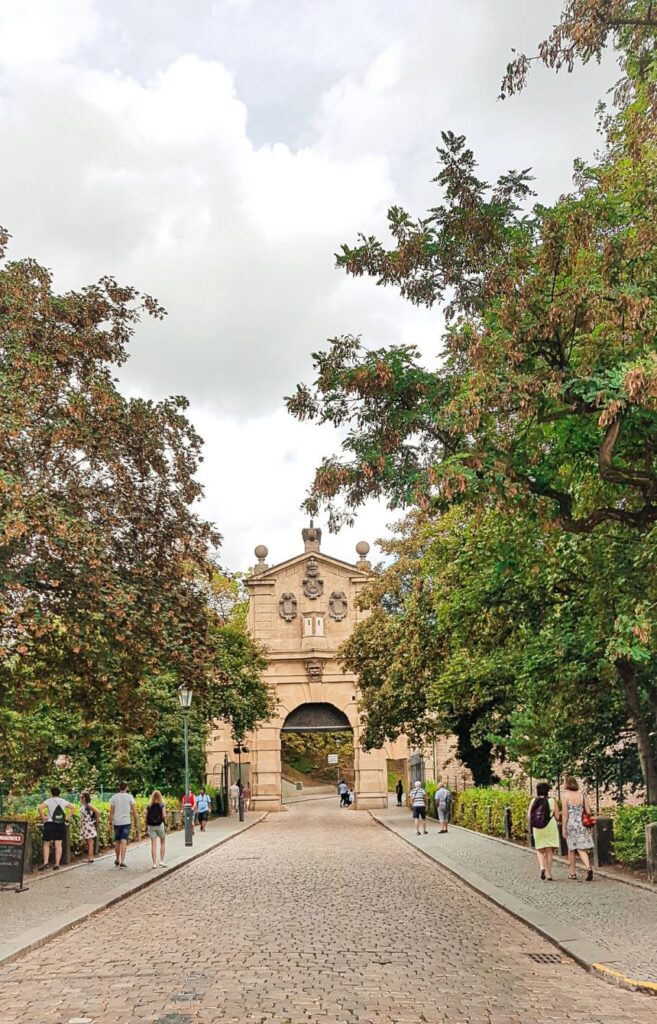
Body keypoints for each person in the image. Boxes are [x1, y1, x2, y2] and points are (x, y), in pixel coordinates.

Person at [562, 775, 594, 881]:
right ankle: (588, 867)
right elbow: (588, 812)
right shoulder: (582, 795)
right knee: (582, 848)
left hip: (571, 824)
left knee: (571, 849)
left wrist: (564, 828)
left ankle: (572, 873)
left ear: (567, 784)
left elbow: (565, 814)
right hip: (581, 824)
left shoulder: (565, 796)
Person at [528, 782, 560, 880]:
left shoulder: (533, 800)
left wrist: (530, 826)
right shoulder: (552, 801)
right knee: (549, 850)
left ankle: (542, 867)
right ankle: (549, 873)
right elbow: (557, 816)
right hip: (550, 827)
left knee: (539, 849)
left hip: (538, 827)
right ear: (548, 790)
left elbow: (529, 816)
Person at [38, 786, 75, 870]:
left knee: (46, 844)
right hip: (60, 823)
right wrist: (67, 817)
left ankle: (45, 863)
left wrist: (43, 816)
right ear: (59, 793)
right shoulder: (63, 801)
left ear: (51, 793)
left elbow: (40, 807)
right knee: (58, 844)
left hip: (49, 823)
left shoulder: (48, 801)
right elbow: (73, 808)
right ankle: (57, 864)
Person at [109, 781, 140, 867]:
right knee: (124, 841)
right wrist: (136, 821)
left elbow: (111, 812)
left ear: (119, 787)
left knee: (117, 841)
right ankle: (122, 861)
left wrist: (110, 823)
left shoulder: (114, 797)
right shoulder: (130, 797)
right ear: (127, 788)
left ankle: (117, 859)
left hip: (117, 822)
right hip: (126, 822)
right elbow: (134, 811)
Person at [146, 790, 167, 868]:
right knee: (163, 842)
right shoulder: (162, 805)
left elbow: (146, 816)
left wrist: (146, 825)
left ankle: (154, 863)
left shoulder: (149, 805)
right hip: (160, 825)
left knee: (153, 845)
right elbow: (164, 815)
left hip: (151, 826)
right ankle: (161, 861)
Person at [79, 791, 100, 864]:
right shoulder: (84, 805)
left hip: (88, 824)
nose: (81, 798)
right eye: (80, 797)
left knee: (90, 842)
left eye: (82, 797)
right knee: (89, 842)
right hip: (85, 825)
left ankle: (90, 858)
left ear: (86, 798)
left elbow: (97, 811)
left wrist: (97, 822)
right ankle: (90, 857)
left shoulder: (88, 805)